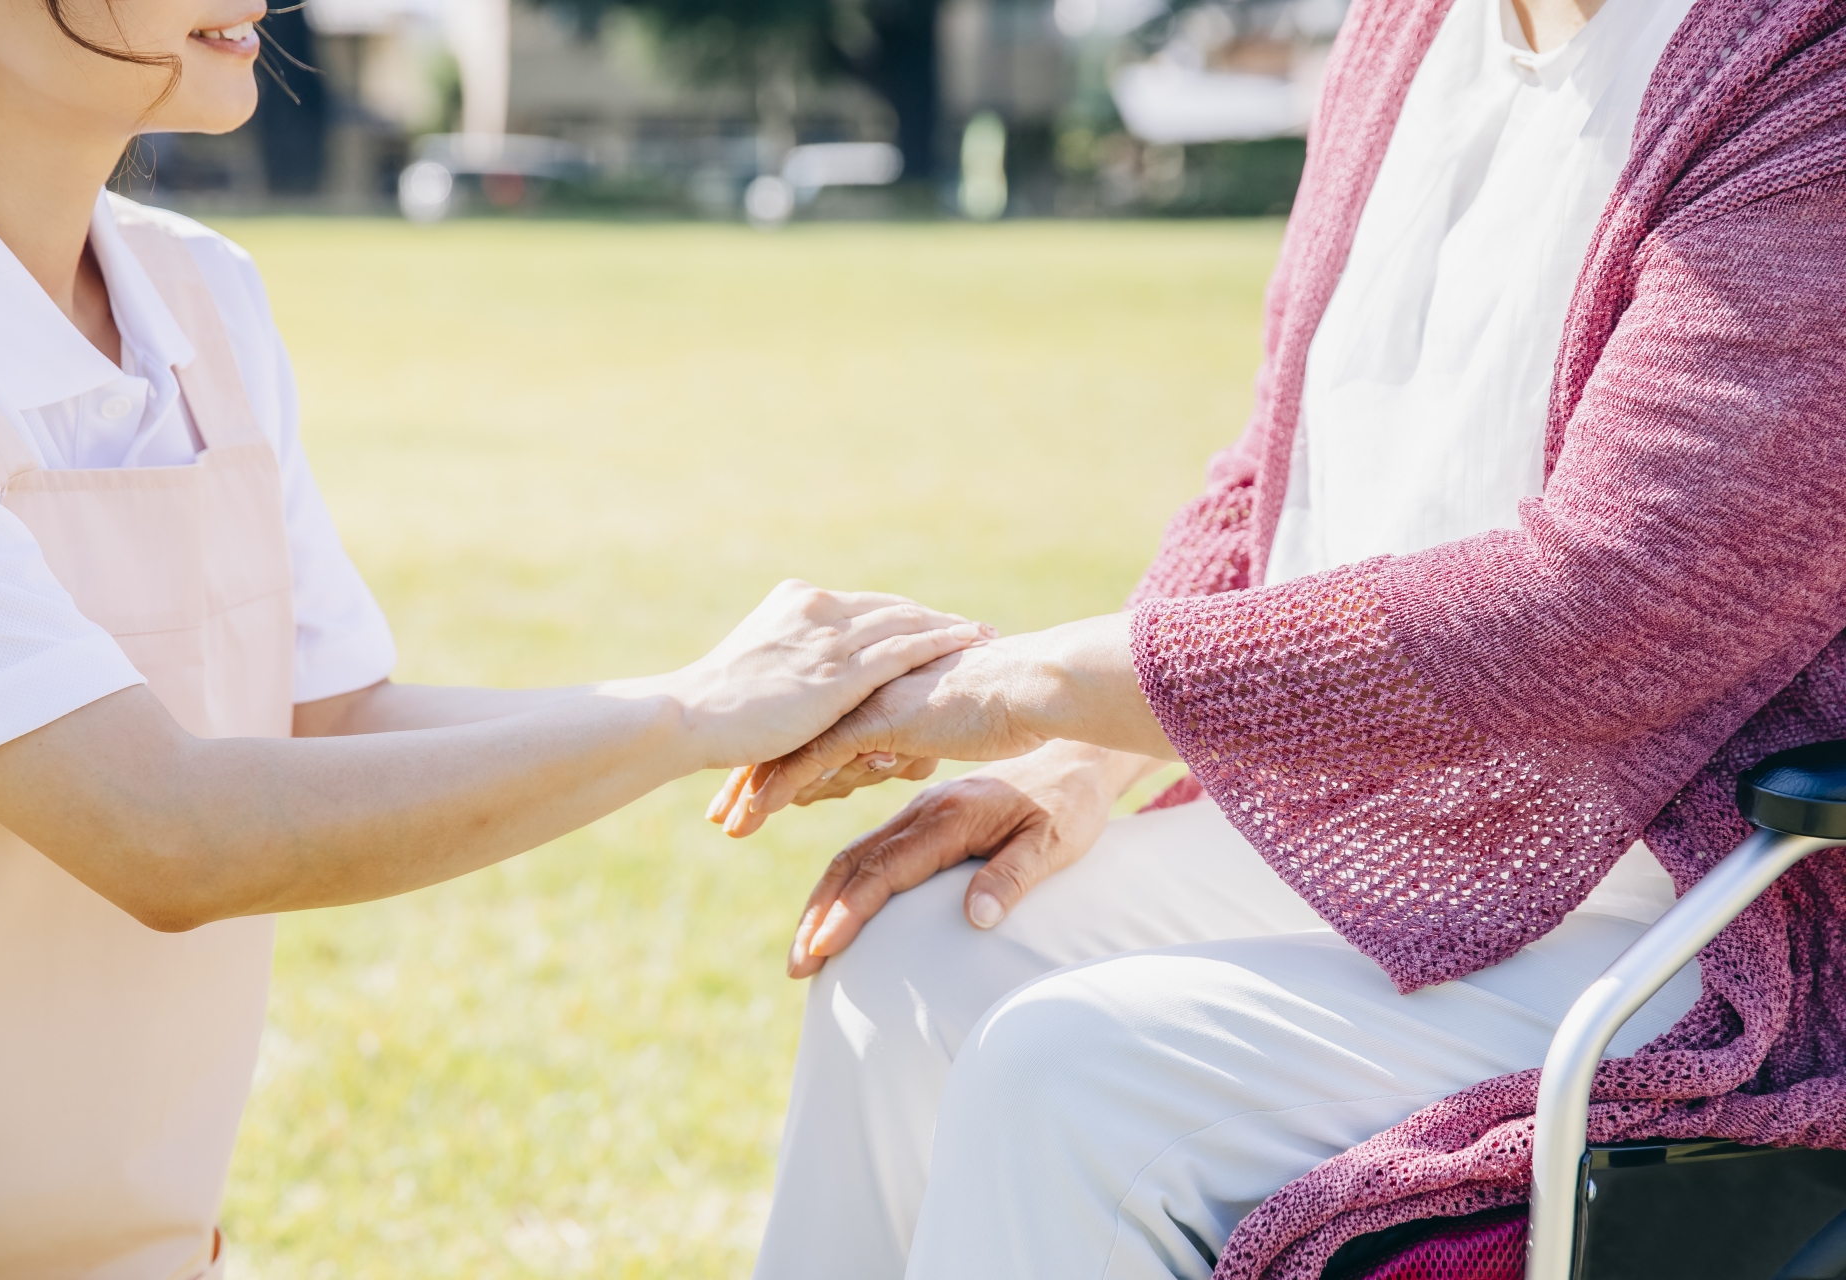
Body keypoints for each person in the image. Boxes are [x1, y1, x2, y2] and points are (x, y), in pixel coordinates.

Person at [715, 0, 1846, 1276]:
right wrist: (1080, 763)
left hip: (1690, 905)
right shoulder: (1406, 29)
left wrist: (1029, 687)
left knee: (1070, 1079)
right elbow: (1272, 469)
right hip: (1365, 831)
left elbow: (1612, 603)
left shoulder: (1803, 70)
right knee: (912, 959)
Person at [0, 3, 995, 1275]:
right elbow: (163, 826)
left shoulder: (198, 295)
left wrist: (717, 699)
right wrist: (689, 715)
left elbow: (327, 721)